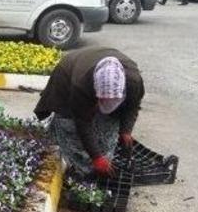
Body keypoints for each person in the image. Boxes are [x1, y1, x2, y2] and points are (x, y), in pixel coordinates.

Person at [33, 46, 144, 178]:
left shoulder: (133, 81)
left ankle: (101, 164)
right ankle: (83, 171)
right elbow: (82, 122)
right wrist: (96, 157)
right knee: (70, 128)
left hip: (97, 63)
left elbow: (132, 105)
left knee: (108, 129)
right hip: (67, 76)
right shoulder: (81, 85)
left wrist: (126, 130)